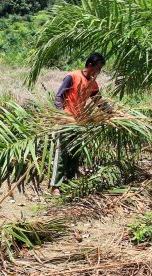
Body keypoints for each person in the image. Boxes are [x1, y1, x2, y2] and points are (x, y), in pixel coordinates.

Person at [49, 52, 111, 193]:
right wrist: (62, 114)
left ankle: (69, 183)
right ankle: (55, 186)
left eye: (100, 70)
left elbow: (99, 102)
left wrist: (112, 112)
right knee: (61, 154)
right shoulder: (73, 76)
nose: (98, 72)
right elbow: (58, 98)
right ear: (90, 65)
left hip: (79, 122)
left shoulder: (93, 84)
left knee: (75, 154)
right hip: (66, 121)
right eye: (97, 69)